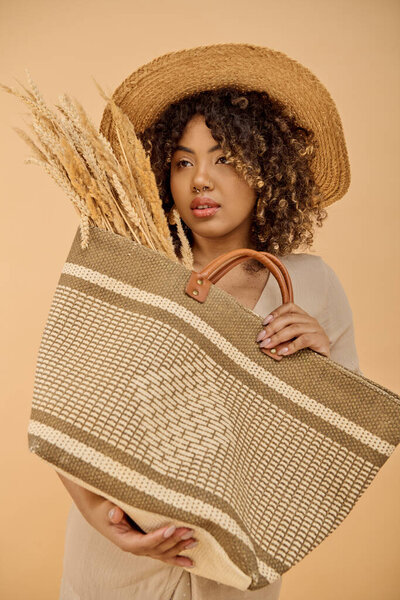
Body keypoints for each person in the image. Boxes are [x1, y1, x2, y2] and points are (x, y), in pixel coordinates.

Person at [57, 43, 361, 599]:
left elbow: (327, 451)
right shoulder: (130, 268)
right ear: (161, 176)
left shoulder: (312, 285)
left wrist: (316, 367)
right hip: (116, 566)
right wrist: (101, 516)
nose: (200, 179)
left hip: (235, 573)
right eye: (181, 161)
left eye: (224, 158)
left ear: (266, 170)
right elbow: (70, 402)